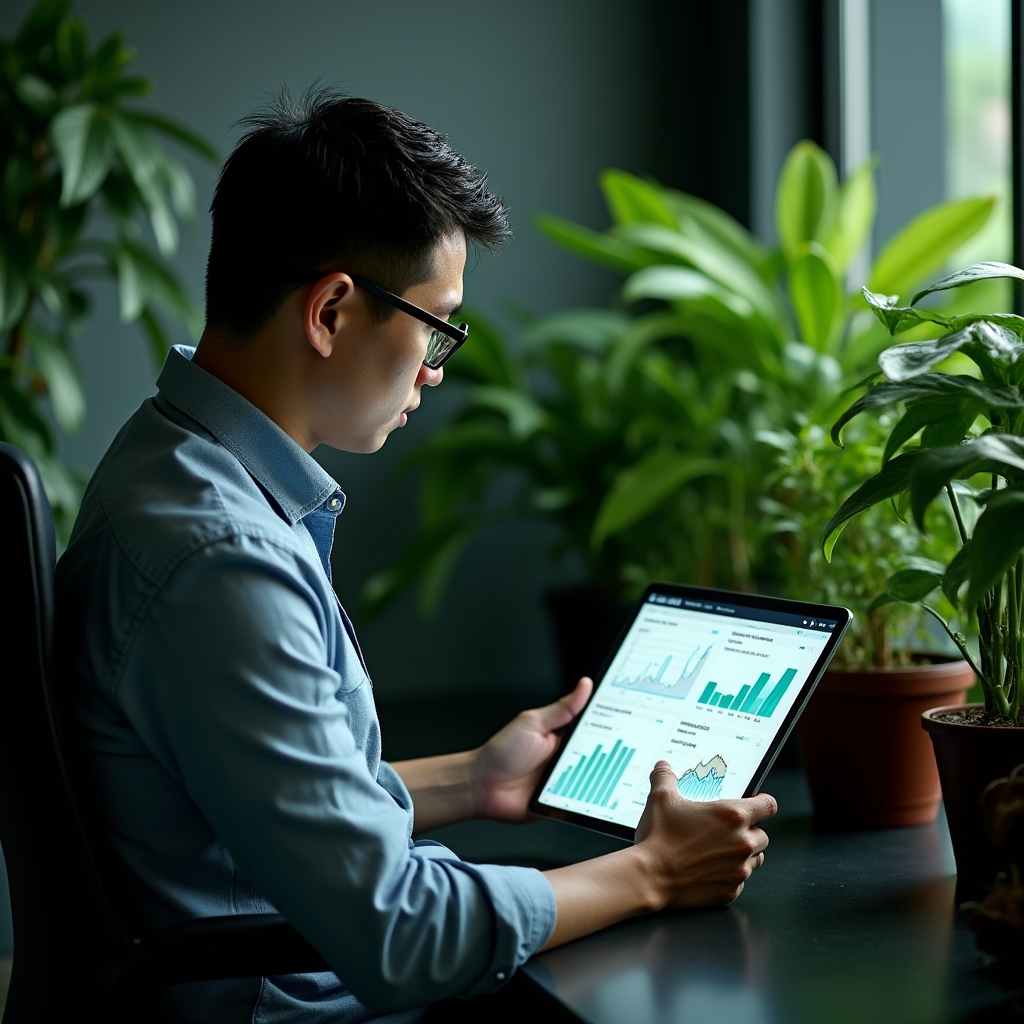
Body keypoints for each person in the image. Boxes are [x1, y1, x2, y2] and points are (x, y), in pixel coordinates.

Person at [55, 90, 776, 1024]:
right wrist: (651, 870)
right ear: (331, 312)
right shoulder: (220, 559)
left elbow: (250, 808)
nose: (436, 368)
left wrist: (474, 779)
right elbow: (398, 934)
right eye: (436, 326)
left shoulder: (167, 460)